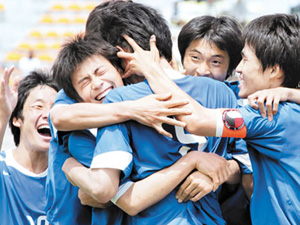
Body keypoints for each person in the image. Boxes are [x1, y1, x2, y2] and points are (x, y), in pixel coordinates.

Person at [62, 1, 242, 224]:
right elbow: (245, 166)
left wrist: (68, 166)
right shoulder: (222, 92)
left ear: (124, 57)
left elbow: (116, 195)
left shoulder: (117, 100)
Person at [120, 13, 300, 224]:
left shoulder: (267, 114)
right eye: (195, 57)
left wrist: (152, 70)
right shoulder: (280, 106)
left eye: (245, 59)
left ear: (274, 71)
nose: (239, 69)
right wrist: (290, 92)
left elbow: (197, 120)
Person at [45, 34, 191, 225]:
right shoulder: (81, 137)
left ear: (120, 69)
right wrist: (69, 166)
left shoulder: (152, 98)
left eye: (100, 72)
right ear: (76, 97)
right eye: (85, 82)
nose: (97, 83)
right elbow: (114, 193)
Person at [177, 15, 252, 224]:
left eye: (216, 62)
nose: (203, 70)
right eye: (195, 58)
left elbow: (242, 166)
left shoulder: (239, 103)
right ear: (182, 57)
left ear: (231, 68)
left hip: (220, 211)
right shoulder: (161, 94)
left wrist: (214, 174)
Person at [0, 67, 58, 224]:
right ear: (17, 119)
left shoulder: (69, 173)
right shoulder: (3, 168)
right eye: (38, 106)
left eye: (55, 107)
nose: (48, 114)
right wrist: (4, 114)